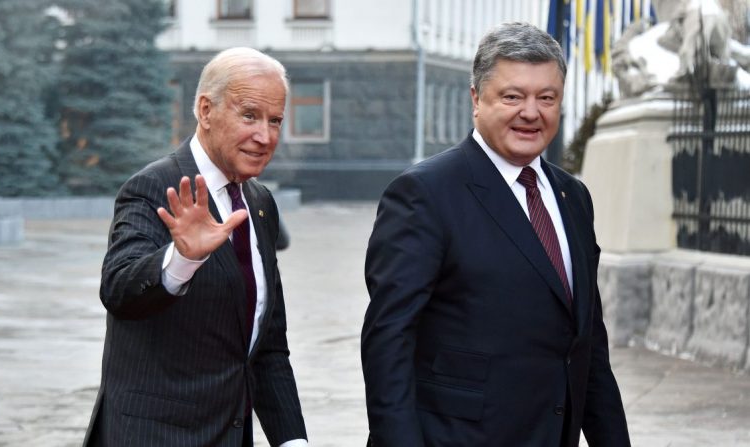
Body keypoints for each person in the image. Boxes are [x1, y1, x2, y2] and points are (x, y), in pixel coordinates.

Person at [361, 23, 631, 447]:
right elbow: (388, 339)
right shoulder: (425, 193)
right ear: (476, 98)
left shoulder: (573, 197)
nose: (531, 112)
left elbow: (588, 344)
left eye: (547, 98)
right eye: (512, 96)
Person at [83, 47, 308, 447]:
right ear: (205, 111)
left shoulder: (259, 203)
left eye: (275, 121)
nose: (265, 136)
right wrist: (183, 258)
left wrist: (293, 441)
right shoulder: (155, 186)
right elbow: (118, 290)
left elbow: (267, 343)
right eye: (250, 115)